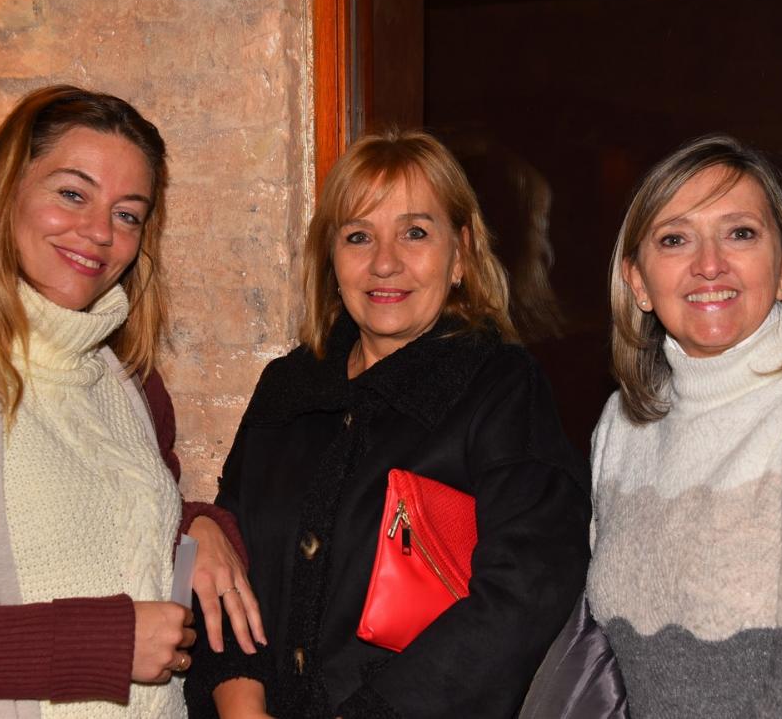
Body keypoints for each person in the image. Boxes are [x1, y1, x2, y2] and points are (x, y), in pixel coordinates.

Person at [185, 129, 591, 718]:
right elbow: (226, 567)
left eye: (415, 232)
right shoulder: (288, 388)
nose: (384, 262)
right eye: (358, 236)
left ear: (462, 253)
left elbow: (526, 593)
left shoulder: (500, 389)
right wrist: (241, 706)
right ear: (332, 258)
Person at [0, 85, 261, 718]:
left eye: (127, 214)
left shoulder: (131, 383)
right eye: (72, 194)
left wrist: (196, 527)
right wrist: (101, 643)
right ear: (3, 191)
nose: (98, 232)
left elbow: (118, 523)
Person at [587, 134, 782, 717]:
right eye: (675, 239)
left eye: (740, 233)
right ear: (638, 282)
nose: (709, 264)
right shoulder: (622, 427)